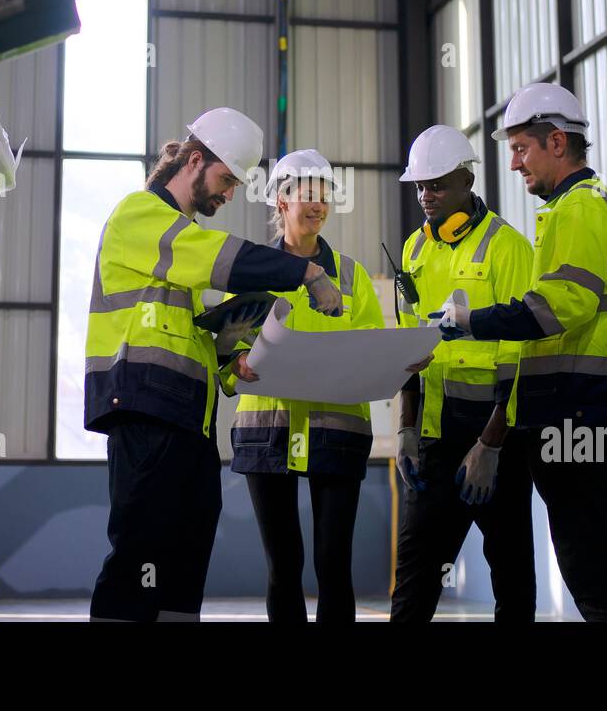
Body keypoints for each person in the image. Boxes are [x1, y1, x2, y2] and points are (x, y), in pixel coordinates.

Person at [85, 107, 343, 622]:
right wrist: (307, 272)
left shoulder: (182, 248)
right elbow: (222, 257)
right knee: (140, 556)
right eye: (226, 180)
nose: (228, 195)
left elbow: (197, 339)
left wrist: (233, 359)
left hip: (191, 420)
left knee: (187, 558)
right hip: (144, 409)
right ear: (195, 160)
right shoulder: (141, 215)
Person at [430, 82, 607, 622]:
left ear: (557, 142)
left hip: (573, 414)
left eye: (520, 149)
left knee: (593, 569)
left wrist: (471, 323)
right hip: (594, 410)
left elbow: (555, 308)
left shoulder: (576, 212)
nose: (514, 164)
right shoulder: (602, 206)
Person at [221, 149, 387, 623]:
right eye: (304, 194)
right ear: (280, 200)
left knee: (334, 565)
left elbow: (374, 348)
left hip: (337, 433)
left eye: (323, 195)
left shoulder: (351, 275)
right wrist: (236, 362)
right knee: (284, 566)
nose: (316, 205)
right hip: (265, 434)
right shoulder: (249, 270)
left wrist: (398, 362)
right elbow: (227, 351)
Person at [389, 124, 535, 622]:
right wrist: (406, 427)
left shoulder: (508, 247)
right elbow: (408, 348)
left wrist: (491, 445)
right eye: (420, 187)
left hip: (498, 437)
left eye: (437, 185)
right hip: (433, 434)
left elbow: (520, 356)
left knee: (512, 573)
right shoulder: (413, 249)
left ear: (467, 180)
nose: (426, 196)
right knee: (414, 574)